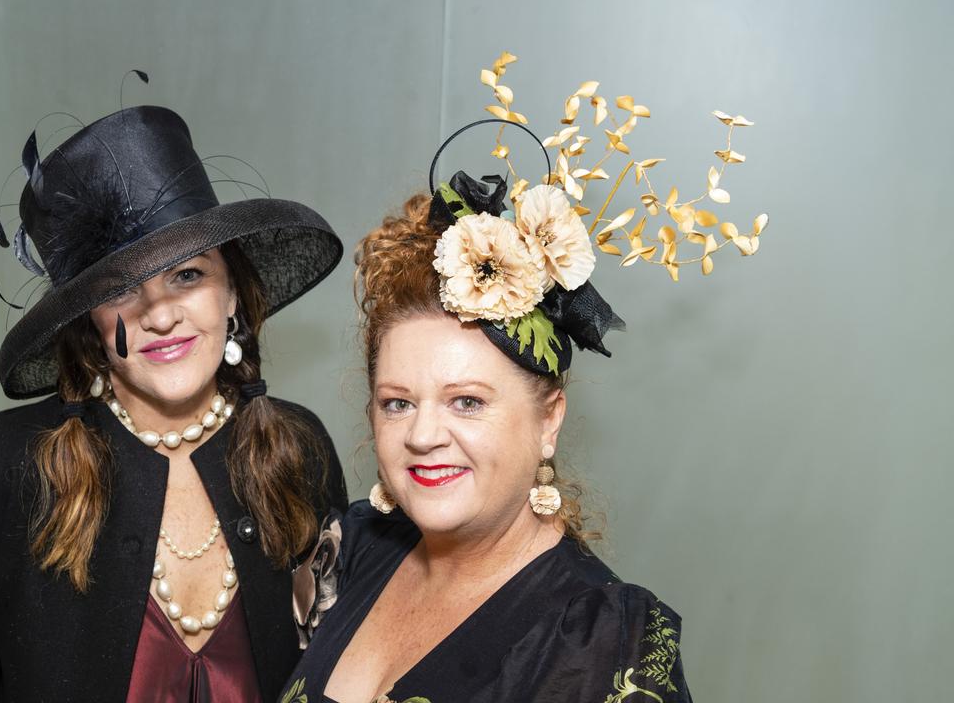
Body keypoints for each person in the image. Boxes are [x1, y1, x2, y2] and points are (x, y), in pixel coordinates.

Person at [280, 54, 756, 702]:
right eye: (397, 403)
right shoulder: (354, 550)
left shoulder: (599, 641)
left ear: (548, 418)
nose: (423, 434)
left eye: (467, 401)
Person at [0, 103, 347, 702]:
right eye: (120, 289)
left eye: (188, 275)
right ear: (88, 318)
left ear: (233, 293)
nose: (161, 315)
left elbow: (335, 662)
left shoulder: (300, 449)